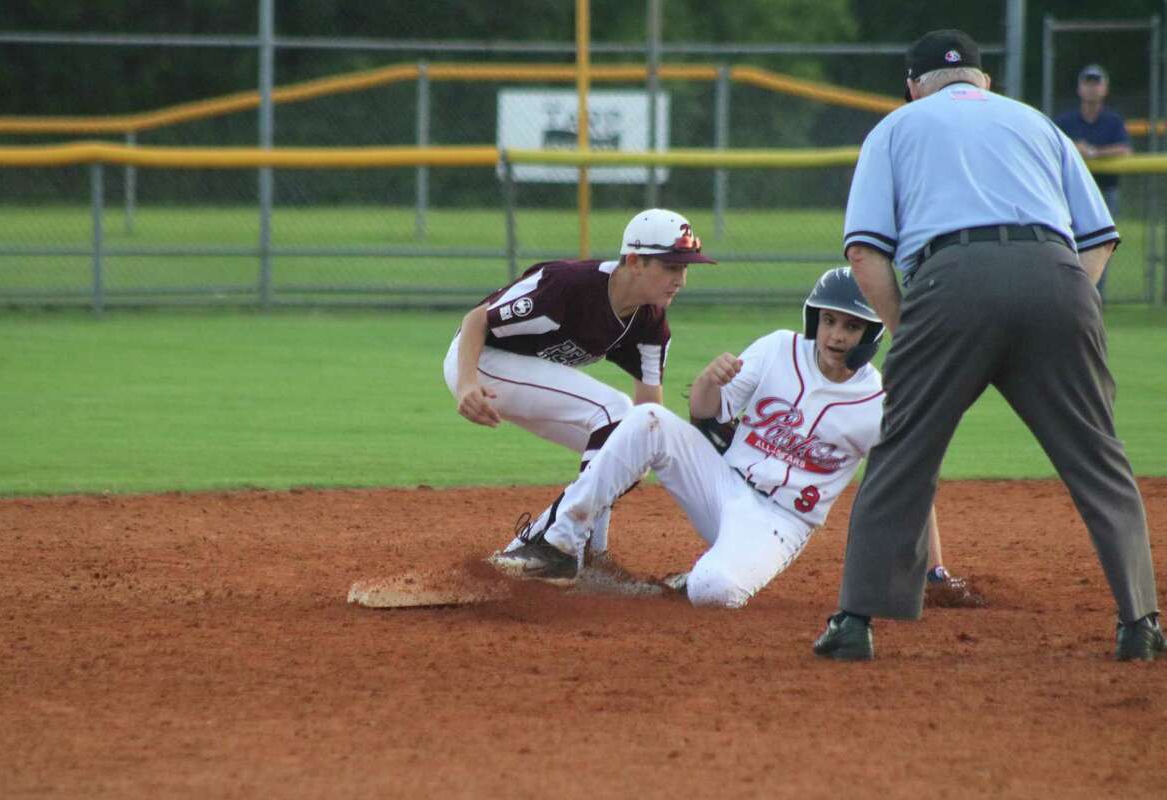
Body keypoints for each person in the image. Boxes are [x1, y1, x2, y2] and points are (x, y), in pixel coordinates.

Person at [815, 29, 1162, 662]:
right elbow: (1100, 238)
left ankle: (855, 622)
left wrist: (908, 326)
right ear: (984, 82)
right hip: (1058, 273)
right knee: (1099, 458)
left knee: (903, 454)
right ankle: (1141, 622)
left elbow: (866, 250)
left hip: (949, 280)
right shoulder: (1035, 123)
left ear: (914, 86)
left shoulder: (897, 126)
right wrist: (1063, 302)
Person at [489, 267, 959, 608]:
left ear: (872, 332)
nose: (836, 335)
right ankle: (560, 540)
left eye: (851, 325)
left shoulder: (874, 405)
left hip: (778, 521)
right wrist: (710, 382)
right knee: (646, 417)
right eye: (830, 321)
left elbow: (913, 484)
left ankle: (693, 580)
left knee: (714, 591)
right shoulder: (779, 349)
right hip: (721, 482)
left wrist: (932, 570)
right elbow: (704, 415)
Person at [444, 208, 715, 556]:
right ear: (634, 261)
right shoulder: (568, 284)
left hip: (519, 371)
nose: (681, 279)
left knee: (630, 455)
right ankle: (559, 546)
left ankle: (571, 553)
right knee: (614, 409)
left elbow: (649, 415)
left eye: (685, 268)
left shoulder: (650, 324)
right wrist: (467, 384)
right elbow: (476, 320)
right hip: (479, 360)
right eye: (671, 267)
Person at [1053, 64, 1132, 299]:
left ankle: (1095, 298)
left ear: (1104, 88)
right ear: (1079, 88)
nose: (1091, 88)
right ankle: (1066, 297)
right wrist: (1076, 149)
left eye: (1096, 83)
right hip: (1068, 195)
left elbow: (1124, 151)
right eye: (1087, 82)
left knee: (1101, 247)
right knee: (1065, 247)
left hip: (1104, 192)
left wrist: (1094, 152)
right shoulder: (1066, 120)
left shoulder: (1112, 120)